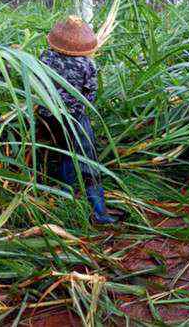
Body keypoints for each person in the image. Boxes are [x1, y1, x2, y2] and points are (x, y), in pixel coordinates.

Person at [38, 15, 117, 225]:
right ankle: (99, 212)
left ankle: (67, 205)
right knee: (87, 160)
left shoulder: (45, 57)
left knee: (64, 154)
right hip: (74, 118)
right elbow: (89, 96)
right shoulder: (87, 64)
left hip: (48, 117)